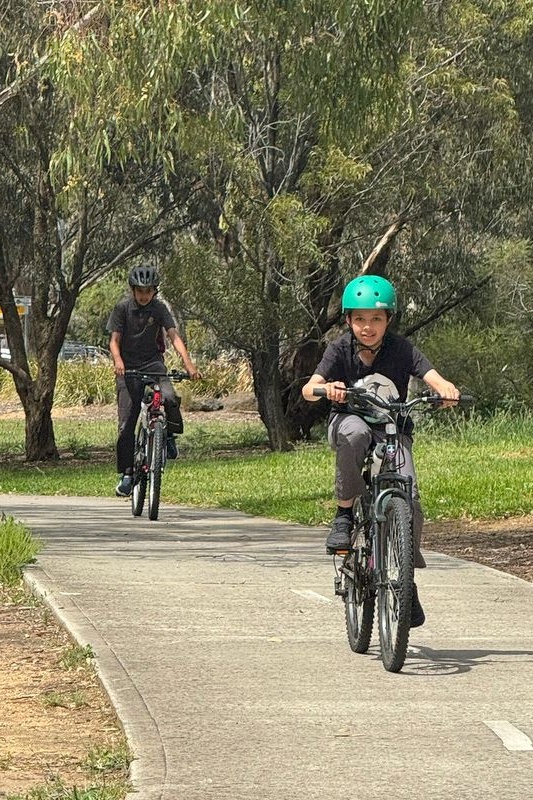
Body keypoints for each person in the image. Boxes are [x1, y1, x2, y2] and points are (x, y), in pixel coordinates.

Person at [302, 274, 460, 627]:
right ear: (348, 321)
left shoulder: (402, 349)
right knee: (356, 434)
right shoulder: (339, 349)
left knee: (410, 497)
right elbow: (308, 389)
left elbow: (432, 375)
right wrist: (327, 389)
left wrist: (445, 388)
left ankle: (405, 579)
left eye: (375, 319)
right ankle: (344, 515)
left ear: (388, 320)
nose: (367, 327)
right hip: (349, 423)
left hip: (393, 430)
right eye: (359, 319)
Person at [107, 264, 201, 498]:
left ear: (154, 291)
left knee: (169, 396)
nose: (144, 295)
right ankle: (127, 475)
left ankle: (168, 436)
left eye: (148, 291)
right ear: (133, 290)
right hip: (127, 367)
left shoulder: (159, 309)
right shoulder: (122, 309)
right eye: (140, 290)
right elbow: (113, 341)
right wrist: (118, 361)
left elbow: (174, 336)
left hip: (153, 363)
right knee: (126, 423)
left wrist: (189, 364)